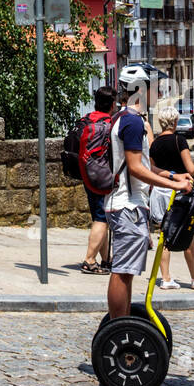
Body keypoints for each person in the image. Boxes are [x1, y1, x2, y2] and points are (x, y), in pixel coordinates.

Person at [105, 86, 194, 320]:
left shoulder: (122, 118)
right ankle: (118, 328)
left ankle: (122, 323)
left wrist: (173, 176)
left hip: (127, 203)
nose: (159, 97)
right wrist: (175, 186)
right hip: (128, 205)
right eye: (155, 91)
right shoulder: (133, 123)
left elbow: (144, 166)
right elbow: (135, 168)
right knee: (123, 271)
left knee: (127, 271)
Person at [149, 110, 194, 290]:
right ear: (175, 122)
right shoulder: (179, 141)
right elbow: (190, 168)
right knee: (186, 233)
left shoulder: (155, 144)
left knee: (164, 235)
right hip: (177, 193)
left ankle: (166, 278)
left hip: (159, 191)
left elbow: (152, 168)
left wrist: (170, 175)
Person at [78, 85, 116, 275]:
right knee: (102, 219)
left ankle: (106, 260)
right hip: (102, 176)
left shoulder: (87, 120)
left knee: (98, 218)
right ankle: (89, 260)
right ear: (112, 104)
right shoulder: (109, 124)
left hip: (87, 173)